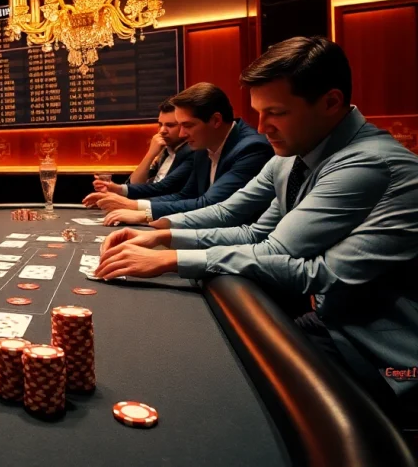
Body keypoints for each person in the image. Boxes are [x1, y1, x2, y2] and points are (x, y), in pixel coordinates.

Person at [94, 35, 418, 418]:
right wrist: (161, 236)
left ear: (331, 102)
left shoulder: (367, 163)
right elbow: (245, 226)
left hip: (384, 355)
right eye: (258, 112)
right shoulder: (296, 151)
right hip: (332, 322)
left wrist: (170, 259)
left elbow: (294, 262)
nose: (262, 127)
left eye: (276, 112)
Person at [84, 82, 272, 225]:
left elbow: (211, 204)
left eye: (187, 126)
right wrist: (135, 205)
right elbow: (185, 195)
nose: (182, 134)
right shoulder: (202, 143)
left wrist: (138, 209)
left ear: (215, 120)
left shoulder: (251, 148)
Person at [122, 98, 192, 185]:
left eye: (170, 125)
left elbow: (167, 190)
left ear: (184, 126)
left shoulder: (191, 152)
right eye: (160, 124)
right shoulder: (165, 152)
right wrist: (150, 154)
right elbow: (134, 184)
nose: (162, 130)